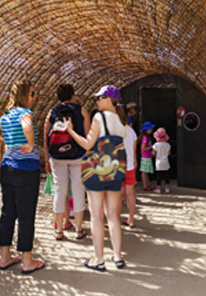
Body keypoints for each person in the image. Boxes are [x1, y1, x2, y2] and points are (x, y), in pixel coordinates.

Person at [0, 79, 45, 275]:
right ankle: (27, 261)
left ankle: (5, 257)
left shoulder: (7, 115)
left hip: (7, 168)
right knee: (26, 214)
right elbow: (27, 125)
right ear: (25, 95)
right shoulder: (25, 113)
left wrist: (6, 141)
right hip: (26, 169)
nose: (35, 97)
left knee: (8, 212)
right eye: (33, 94)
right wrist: (31, 143)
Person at [65, 85, 129, 271]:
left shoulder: (99, 117)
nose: (97, 101)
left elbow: (87, 144)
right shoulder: (122, 121)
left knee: (96, 217)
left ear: (108, 100)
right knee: (114, 216)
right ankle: (117, 256)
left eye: (99, 98)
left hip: (97, 172)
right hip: (116, 172)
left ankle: (98, 259)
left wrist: (70, 131)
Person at [43, 84, 90, 240]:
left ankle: (59, 231)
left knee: (59, 191)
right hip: (77, 156)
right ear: (72, 95)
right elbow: (88, 135)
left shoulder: (52, 112)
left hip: (57, 157)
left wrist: (47, 158)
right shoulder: (81, 110)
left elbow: (46, 138)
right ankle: (78, 230)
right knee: (78, 191)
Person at [121, 124, 138, 228]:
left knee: (117, 195)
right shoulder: (132, 131)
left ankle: (112, 221)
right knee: (130, 193)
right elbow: (134, 150)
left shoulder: (114, 130)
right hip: (129, 166)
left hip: (117, 167)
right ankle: (131, 220)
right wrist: (134, 161)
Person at [152, 127, 172, 193]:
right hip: (166, 162)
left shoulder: (156, 145)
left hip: (158, 163)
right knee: (166, 175)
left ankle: (158, 188)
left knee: (159, 176)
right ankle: (167, 188)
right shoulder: (167, 145)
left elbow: (154, 153)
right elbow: (169, 153)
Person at [139, 122, 156, 191]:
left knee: (146, 172)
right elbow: (143, 148)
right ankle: (145, 185)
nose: (151, 130)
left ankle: (147, 184)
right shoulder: (145, 137)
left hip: (148, 156)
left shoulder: (146, 137)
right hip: (145, 156)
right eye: (150, 129)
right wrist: (151, 147)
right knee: (144, 172)